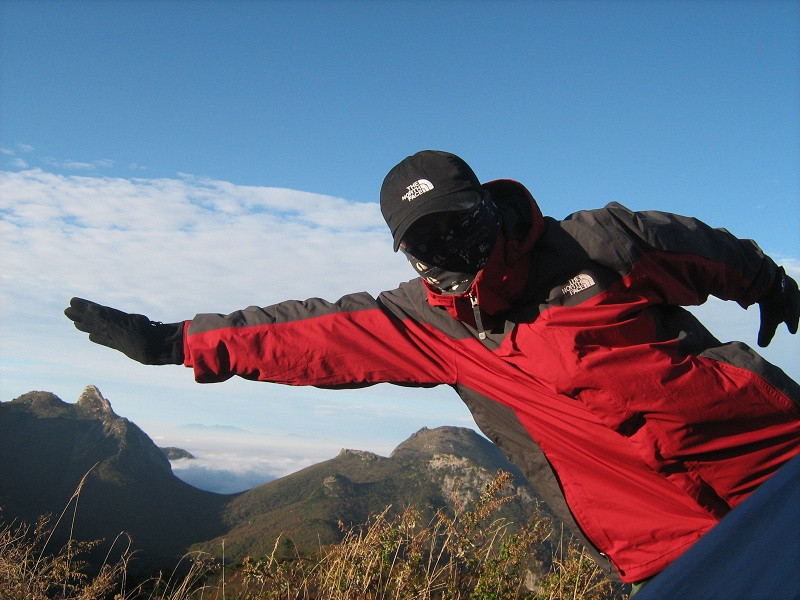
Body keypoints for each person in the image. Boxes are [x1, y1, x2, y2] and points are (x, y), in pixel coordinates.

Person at [65, 150, 800, 586]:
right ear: (409, 255)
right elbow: (303, 333)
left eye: (463, 229)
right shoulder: (421, 324)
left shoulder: (599, 244)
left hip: (775, 461)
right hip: (664, 549)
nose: (454, 255)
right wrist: (175, 343)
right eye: (430, 246)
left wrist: (770, 286)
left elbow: (710, 250)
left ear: (490, 208)